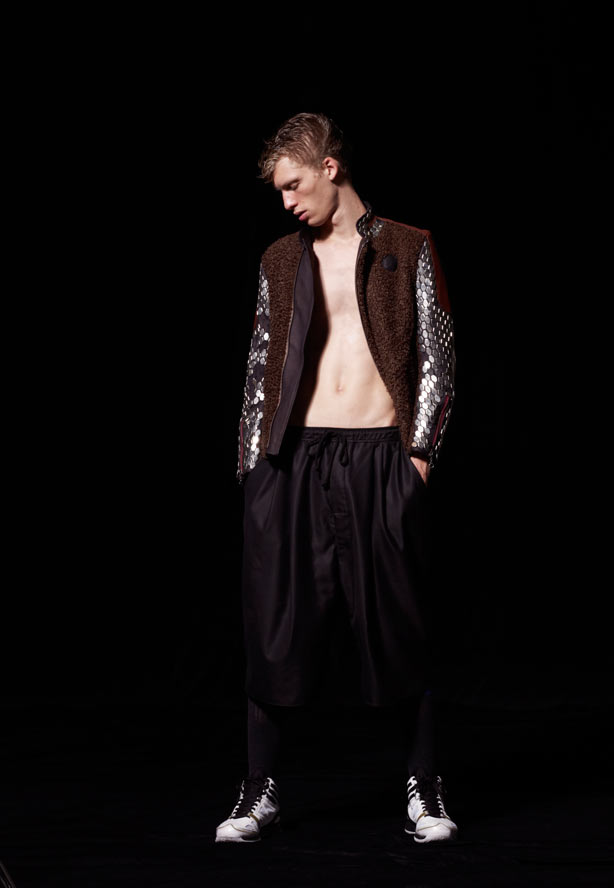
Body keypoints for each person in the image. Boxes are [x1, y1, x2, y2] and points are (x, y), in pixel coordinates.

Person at [215, 112, 457, 844]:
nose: (287, 202)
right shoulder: (279, 259)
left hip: (381, 455)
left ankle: (425, 788)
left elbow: (438, 354)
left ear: (329, 166)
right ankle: (257, 791)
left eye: (294, 184)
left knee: (400, 627)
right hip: (292, 460)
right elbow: (261, 361)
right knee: (274, 627)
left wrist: (420, 455)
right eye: (279, 192)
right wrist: (252, 469)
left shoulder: (407, 246)